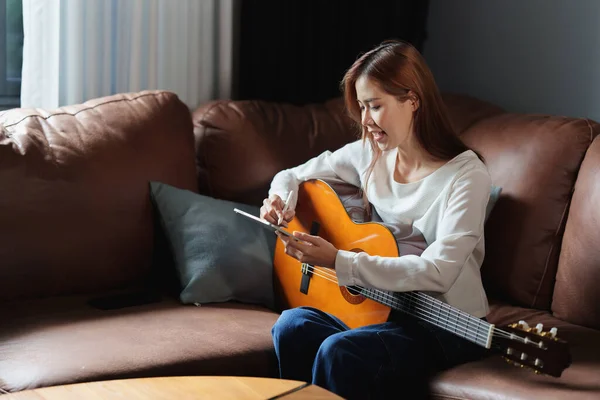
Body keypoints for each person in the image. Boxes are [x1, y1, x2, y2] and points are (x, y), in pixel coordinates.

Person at [260, 40, 492, 399]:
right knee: (292, 325)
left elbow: (438, 270)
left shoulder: (466, 175)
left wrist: (337, 261)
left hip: (446, 324)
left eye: (375, 106)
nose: (366, 121)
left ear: (412, 101)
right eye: (362, 108)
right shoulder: (370, 154)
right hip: (385, 308)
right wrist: (281, 200)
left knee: (340, 352)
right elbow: (291, 175)